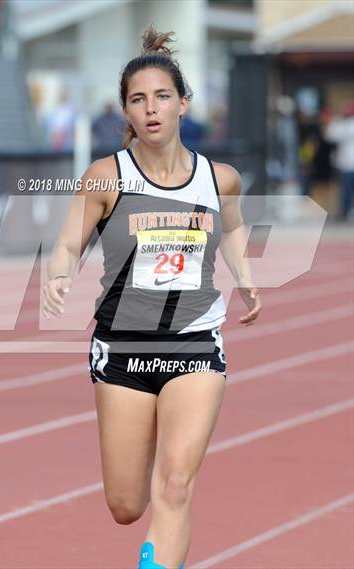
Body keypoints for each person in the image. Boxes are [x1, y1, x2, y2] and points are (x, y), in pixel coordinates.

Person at [42, 26, 261, 569]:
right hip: (123, 350)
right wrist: (59, 273)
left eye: (163, 96)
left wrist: (247, 276)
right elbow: (69, 241)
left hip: (194, 347)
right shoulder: (105, 177)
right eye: (139, 100)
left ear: (184, 103)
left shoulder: (221, 179)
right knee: (126, 504)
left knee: (176, 483)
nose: (152, 108)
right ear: (126, 112)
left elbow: (231, 229)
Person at [325, 101, 354, 221]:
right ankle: (345, 212)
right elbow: (330, 136)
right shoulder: (340, 123)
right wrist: (336, 121)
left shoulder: (347, 124)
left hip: (350, 163)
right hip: (346, 164)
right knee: (345, 191)